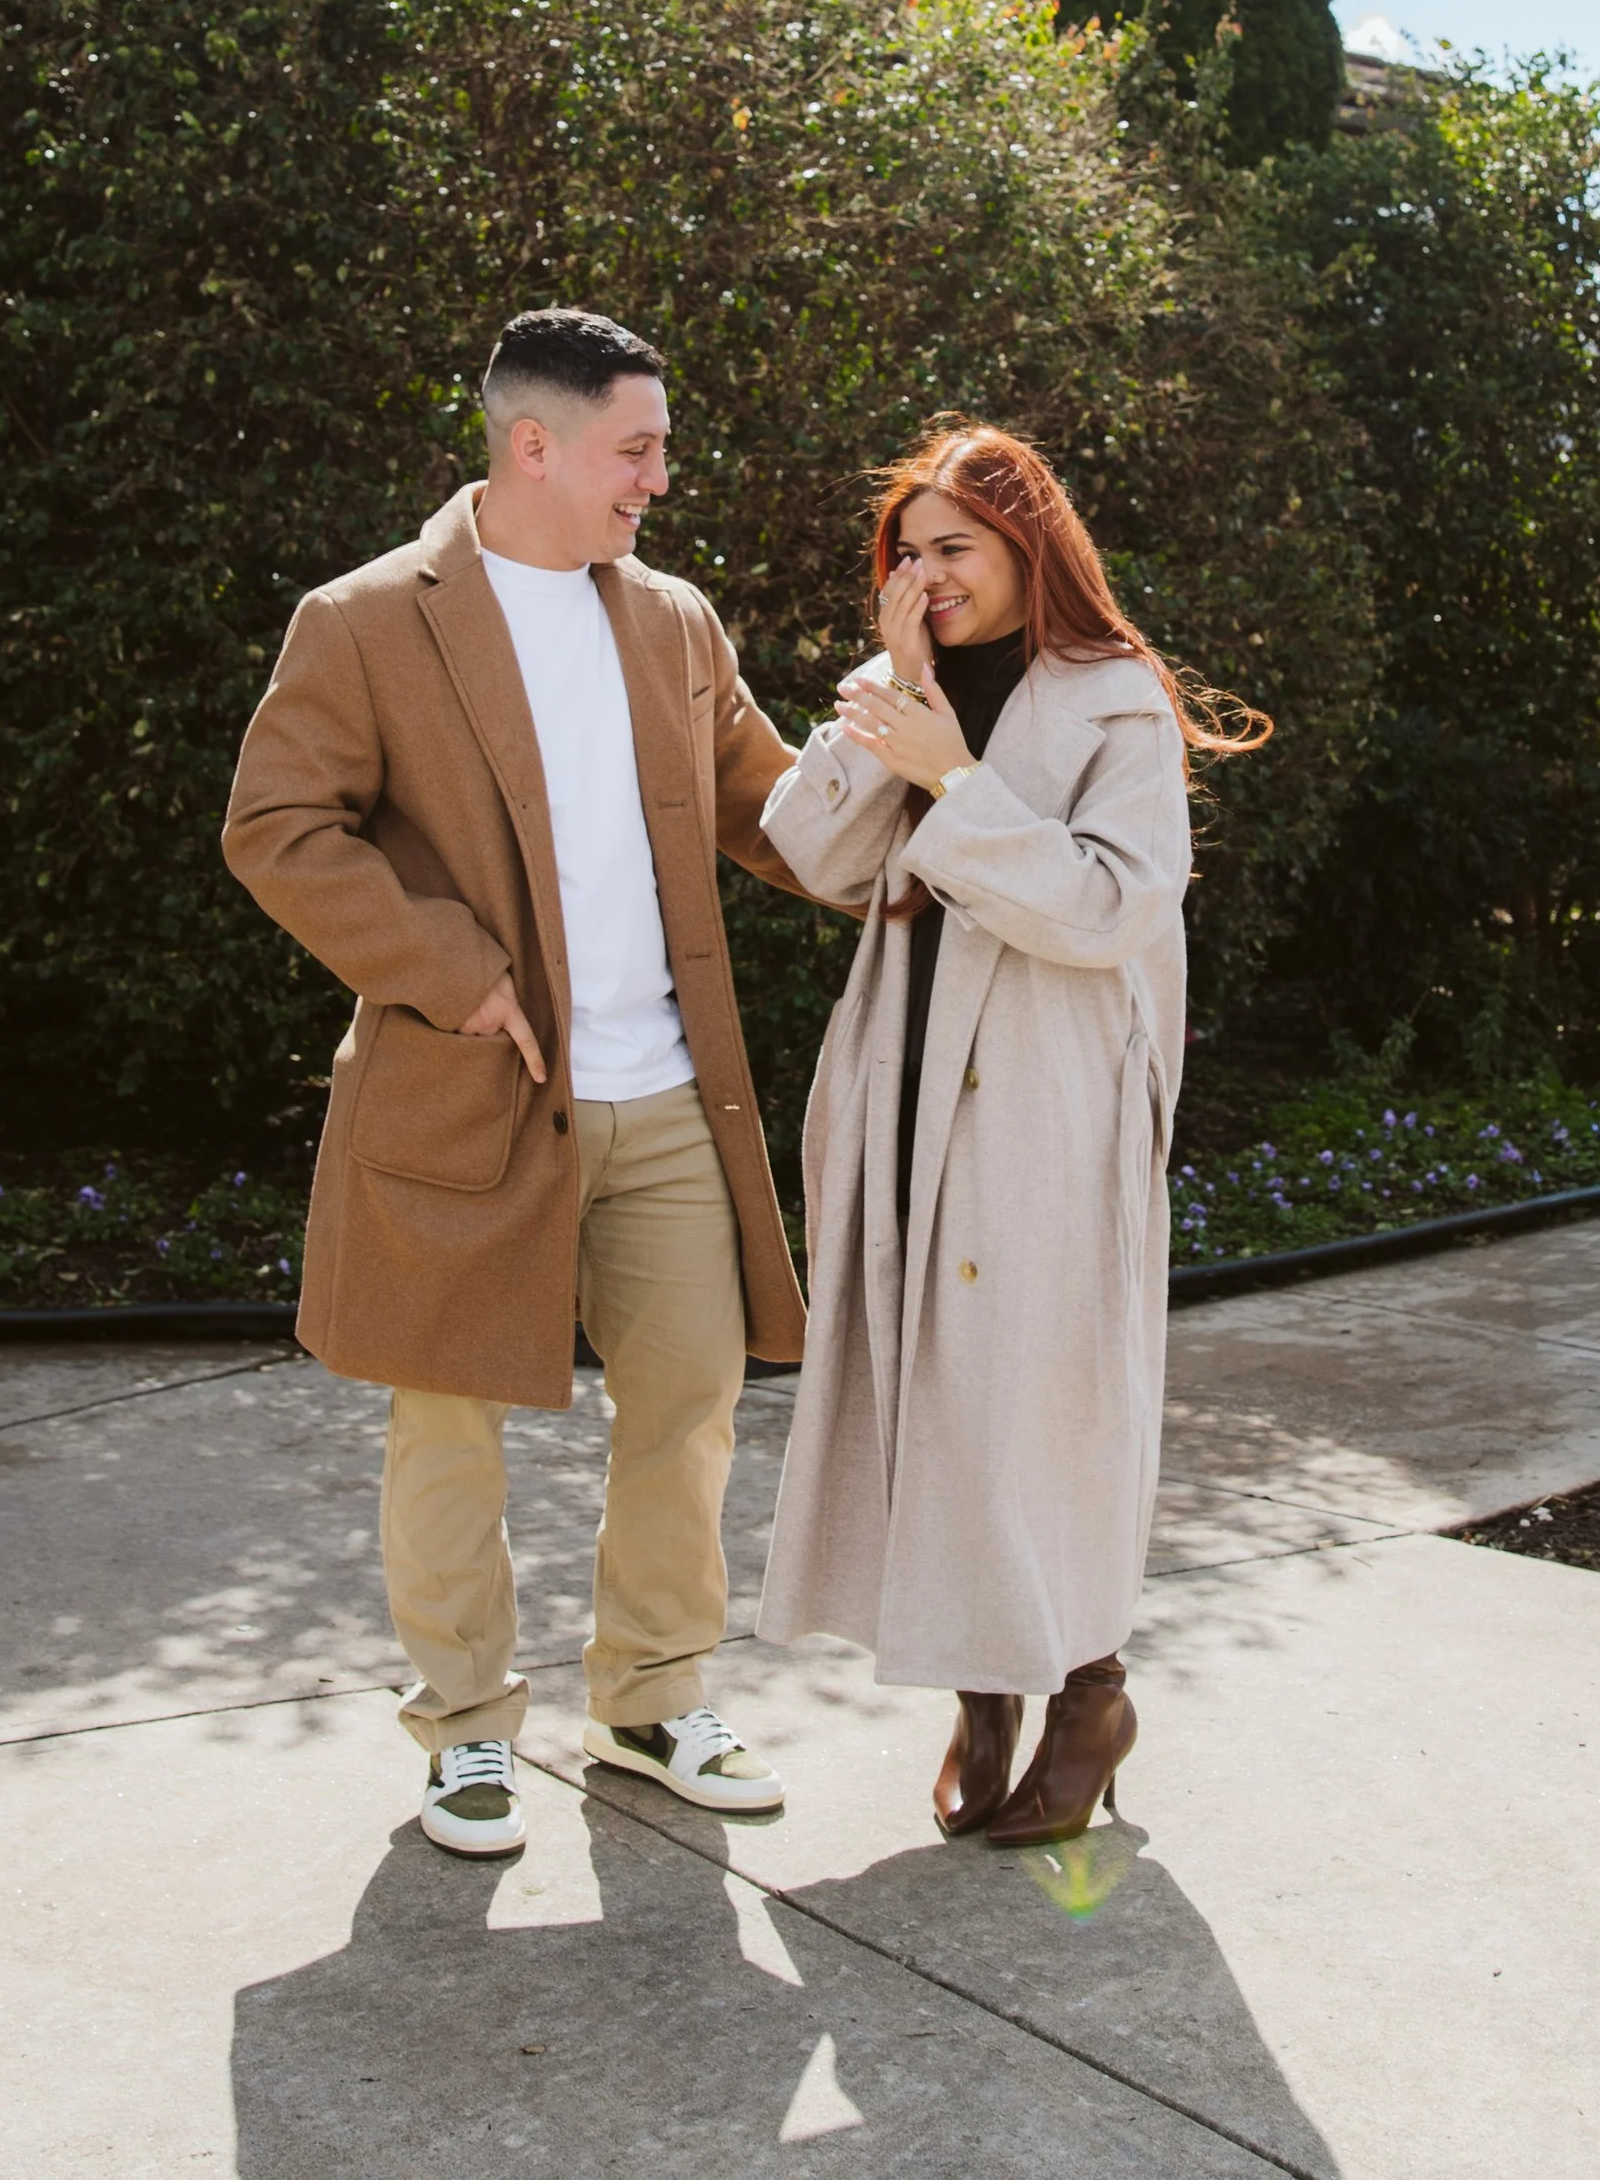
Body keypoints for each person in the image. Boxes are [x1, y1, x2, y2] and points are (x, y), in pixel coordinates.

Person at [222, 308, 808, 1856]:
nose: (659, 480)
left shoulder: (675, 619)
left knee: (689, 1400)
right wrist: (450, 966)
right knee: (449, 1425)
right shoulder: (361, 620)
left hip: (672, 1093)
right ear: (532, 445)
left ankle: (653, 1694)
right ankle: (467, 1731)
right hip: (472, 1091)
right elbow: (279, 824)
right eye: (638, 448)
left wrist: (926, 802)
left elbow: (773, 806)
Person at [753, 423, 1265, 1846]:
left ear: (1027, 551)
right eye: (905, 553)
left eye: (953, 549)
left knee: (1035, 1398)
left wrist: (960, 779)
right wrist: (899, 708)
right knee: (934, 1385)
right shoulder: (894, 687)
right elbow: (813, 849)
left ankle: (1087, 1691)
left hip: (1044, 1097)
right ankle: (982, 1690)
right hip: (911, 1075)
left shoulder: (1116, 703)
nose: (925, 575)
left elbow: (1111, 908)